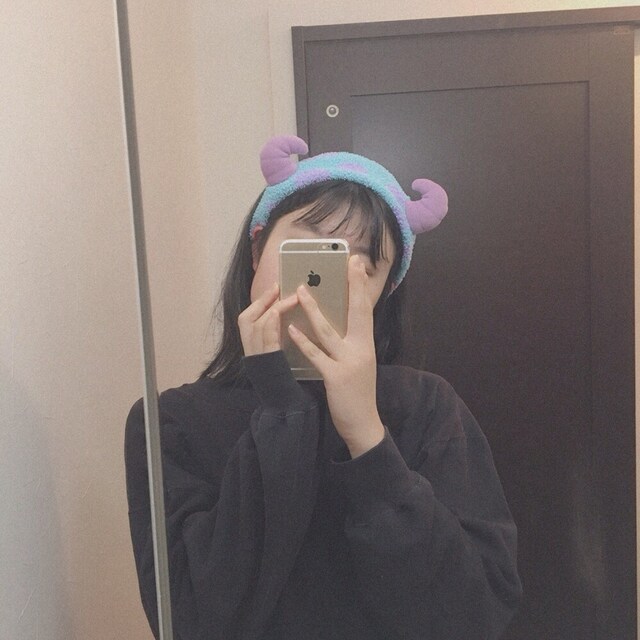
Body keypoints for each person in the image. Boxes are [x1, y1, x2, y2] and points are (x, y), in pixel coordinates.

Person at [125, 135, 522, 640]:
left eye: (362, 266)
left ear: (385, 291)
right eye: (310, 249)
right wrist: (280, 410)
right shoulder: (170, 422)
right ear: (257, 248)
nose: (322, 280)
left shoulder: (427, 406)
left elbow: (473, 616)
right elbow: (192, 623)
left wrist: (368, 438)